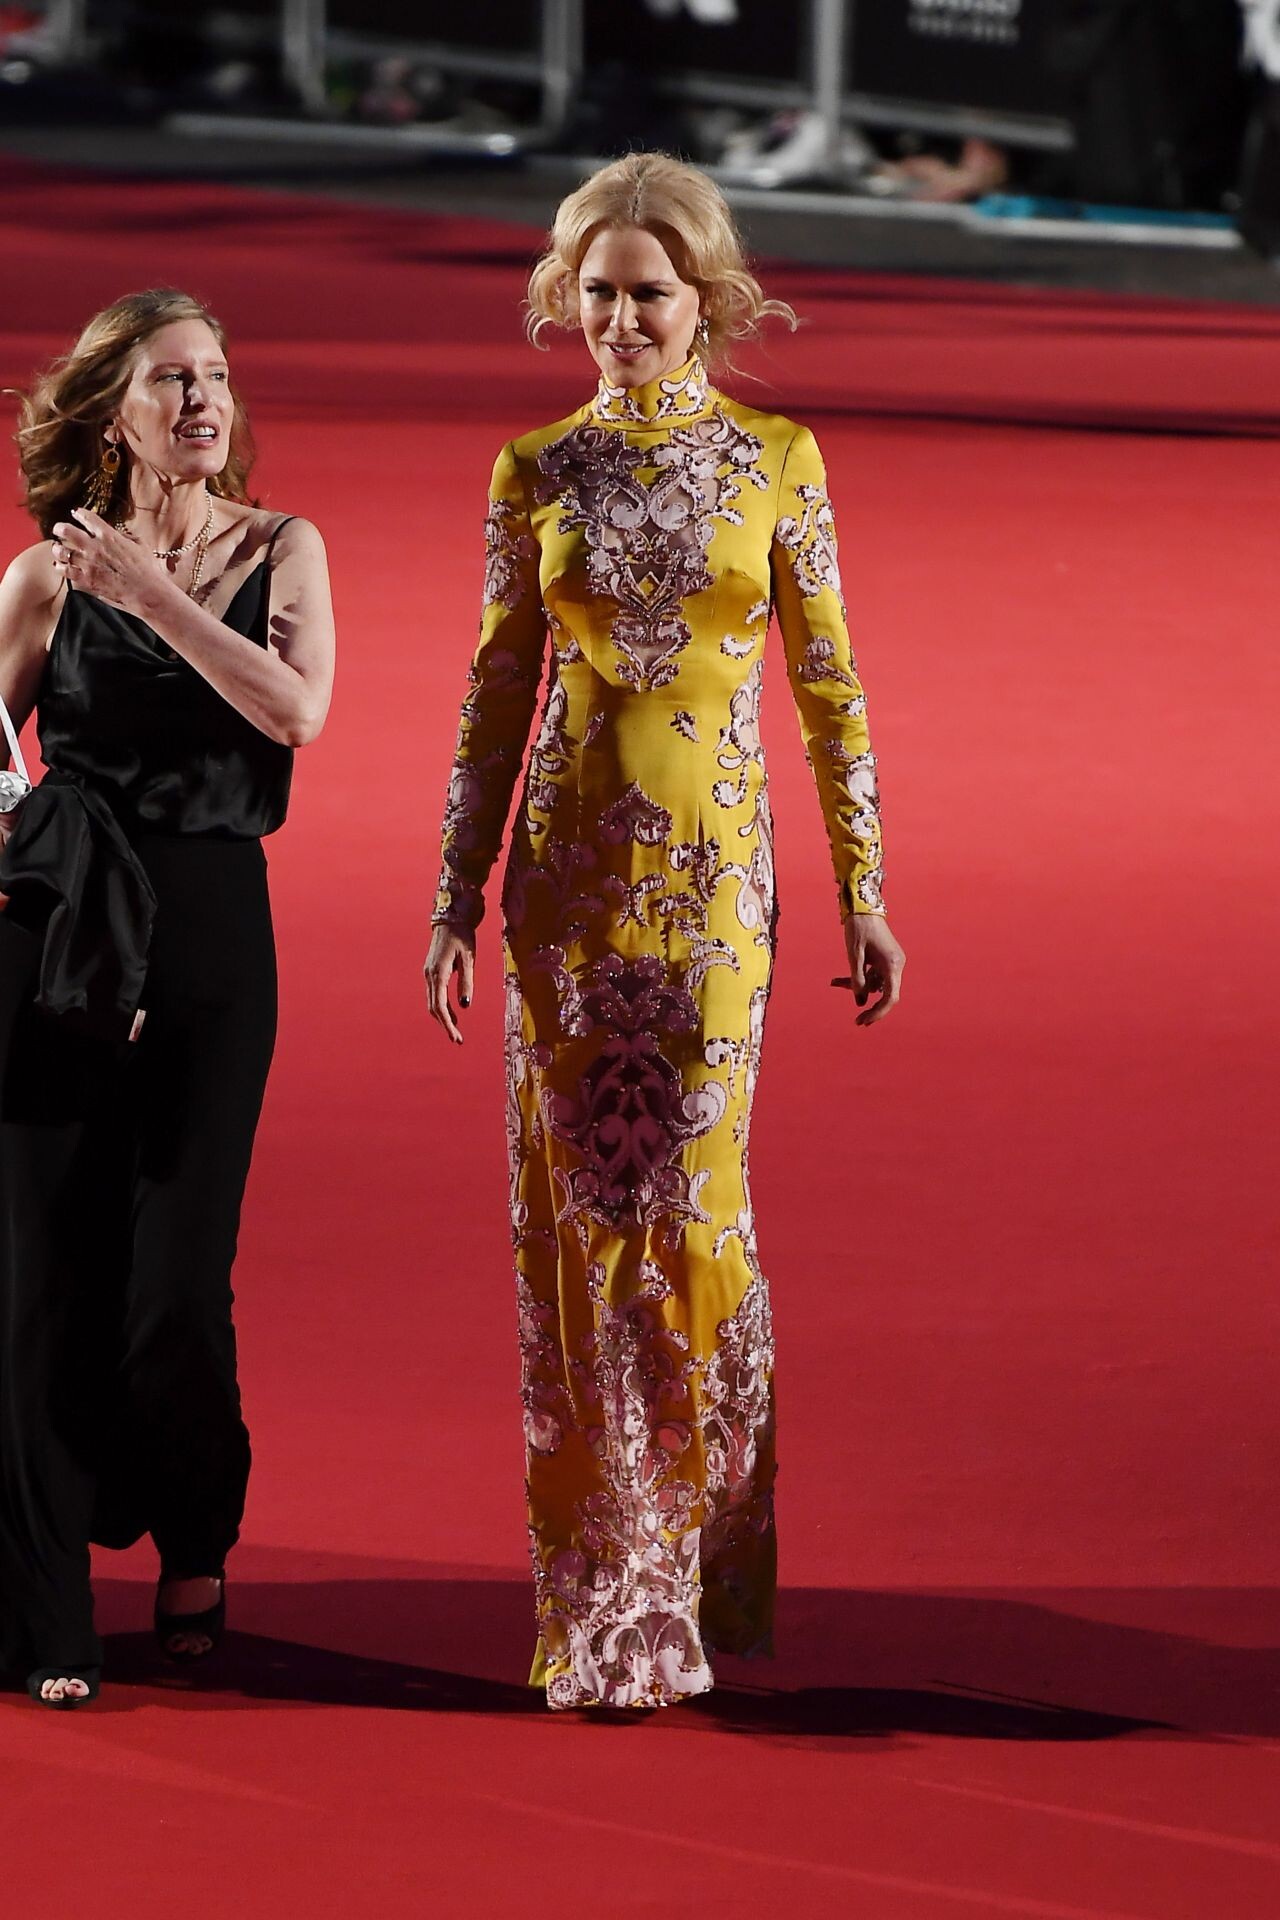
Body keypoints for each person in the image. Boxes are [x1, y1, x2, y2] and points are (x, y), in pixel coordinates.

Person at [425, 152, 905, 1711]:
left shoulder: (779, 459)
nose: (621, 319)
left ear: (708, 300)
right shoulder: (532, 470)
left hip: (713, 897)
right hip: (565, 894)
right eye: (599, 294)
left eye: (649, 294)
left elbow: (829, 690)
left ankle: (708, 1544)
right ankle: (619, 1602)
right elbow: (497, 692)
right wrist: (454, 893)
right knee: (586, 1228)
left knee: (690, 1220)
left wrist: (865, 887)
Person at [0, 288, 335, 1708]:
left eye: (217, 376)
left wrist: (152, 599)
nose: (204, 401)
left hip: (209, 933)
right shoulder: (44, 574)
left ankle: (194, 1533)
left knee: (176, 1290)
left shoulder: (281, 547)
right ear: (112, 414)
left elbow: (295, 711)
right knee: (38, 1282)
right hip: (63, 930)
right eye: (171, 380)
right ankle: (46, 1617)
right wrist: (23, 845)